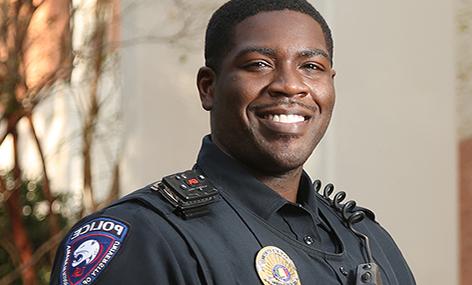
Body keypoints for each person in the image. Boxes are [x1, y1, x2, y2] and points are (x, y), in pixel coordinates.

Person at [50, 1, 416, 284]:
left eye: (311, 67)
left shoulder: (366, 238)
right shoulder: (146, 238)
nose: (290, 85)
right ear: (209, 87)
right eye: (259, 64)